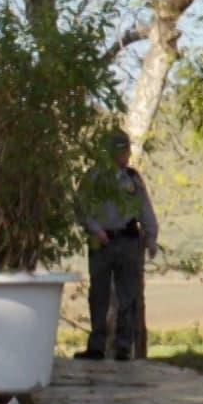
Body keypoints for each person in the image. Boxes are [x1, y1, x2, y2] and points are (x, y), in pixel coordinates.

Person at [77, 130, 159, 362]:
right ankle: (96, 347)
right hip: (101, 243)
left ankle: (124, 347)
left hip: (128, 241)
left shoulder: (132, 178)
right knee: (98, 295)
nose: (128, 155)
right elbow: (81, 208)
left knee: (128, 295)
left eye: (128, 150)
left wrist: (151, 237)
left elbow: (144, 208)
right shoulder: (93, 178)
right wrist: (96, 229)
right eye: (124, 150)